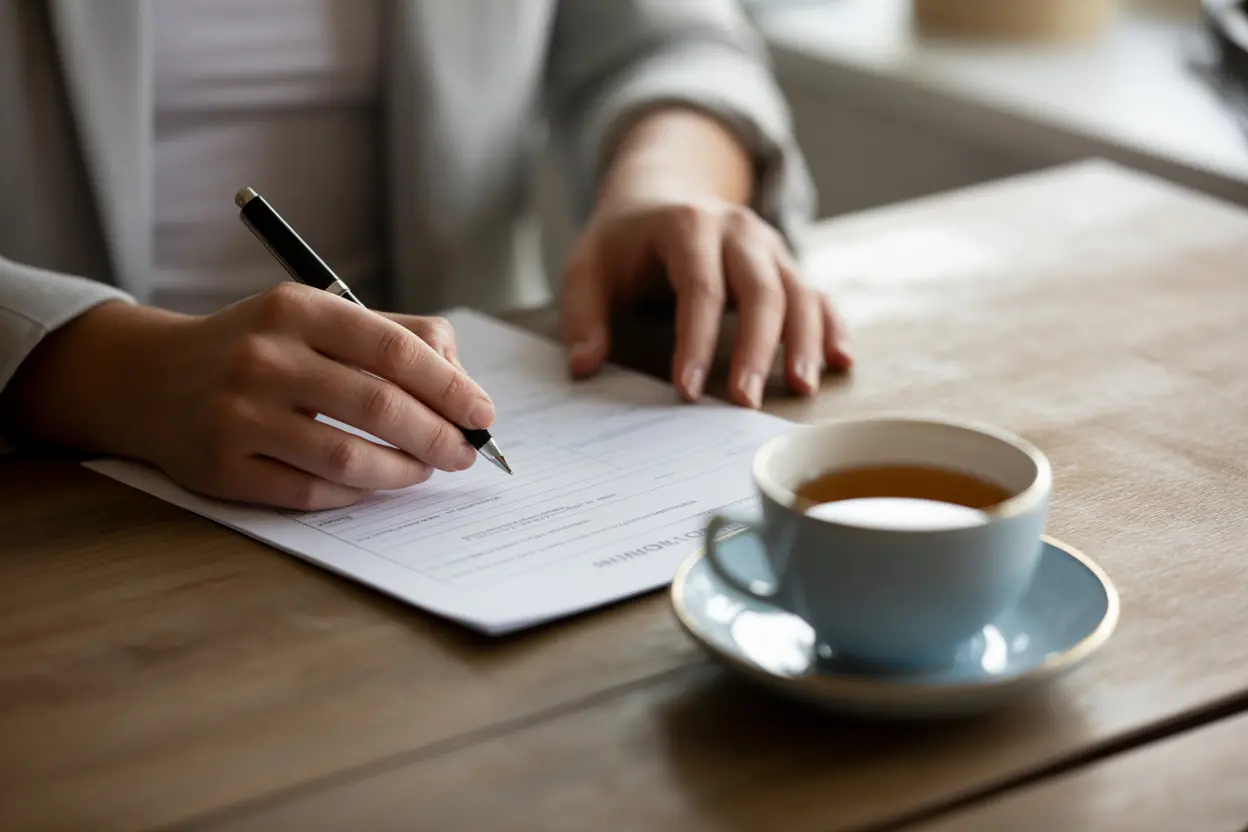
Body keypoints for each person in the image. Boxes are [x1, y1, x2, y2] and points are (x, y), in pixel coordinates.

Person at [0, 0, 852, 510]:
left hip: (412, 474)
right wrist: (115, 372)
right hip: (52, 494)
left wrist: (670, 181)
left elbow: (670, 37)